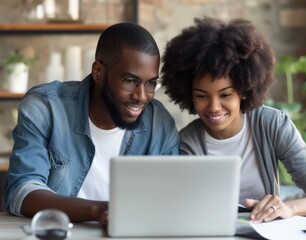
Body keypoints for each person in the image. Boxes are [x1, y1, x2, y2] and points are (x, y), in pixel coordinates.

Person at [160, 17, 306, 223]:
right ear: (189, 95)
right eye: (202, 96)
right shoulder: (187, 142)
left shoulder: (271, 124)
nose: (213, 107)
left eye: (225, 95)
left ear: (244, 91)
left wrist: (287, 208)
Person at [5, 22, 180, 224]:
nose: (141, 96)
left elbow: (172, 196)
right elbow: (22, 191)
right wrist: (98, 210)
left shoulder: (159, 123)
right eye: (129, 81)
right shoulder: (46, 107)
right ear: (98, 72)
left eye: (150, 83)